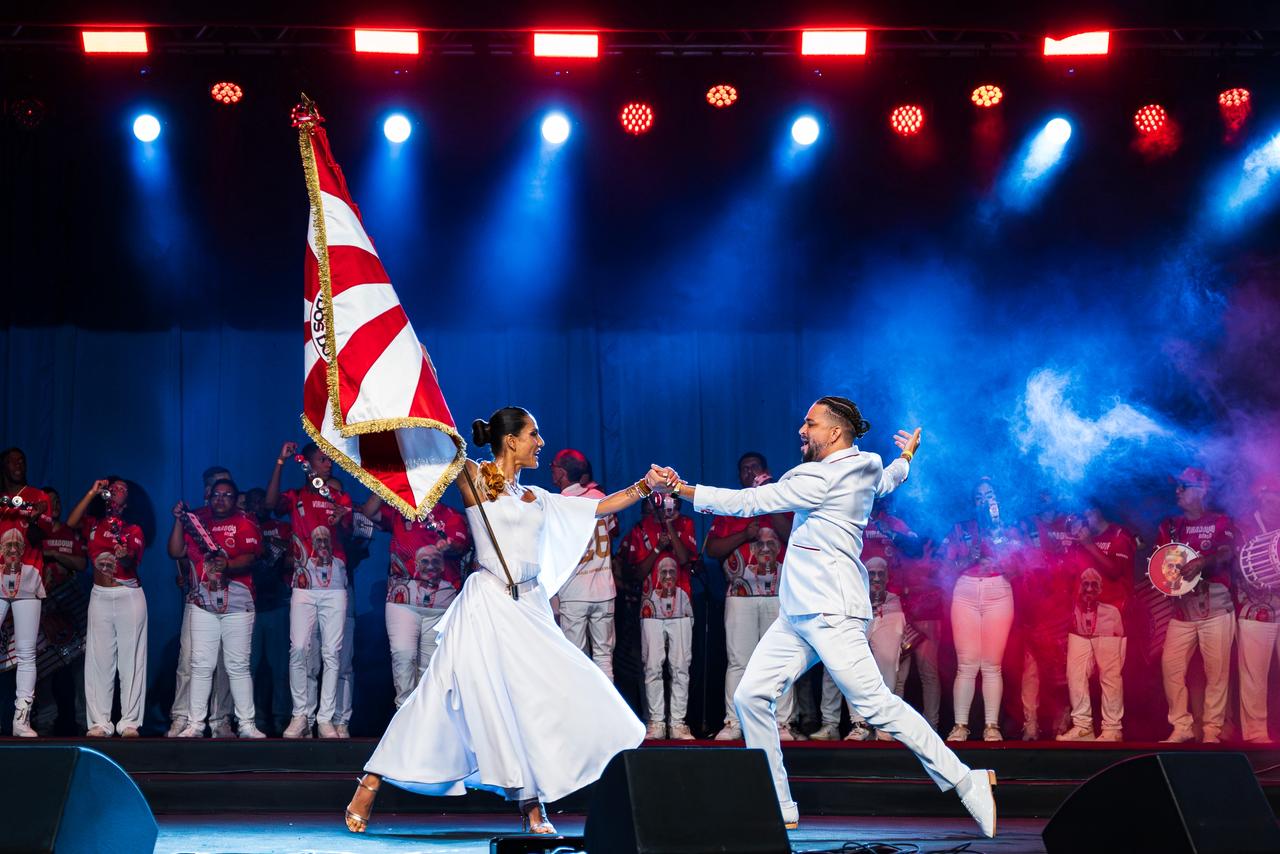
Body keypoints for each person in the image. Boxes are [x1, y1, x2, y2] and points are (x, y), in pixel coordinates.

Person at [655, 396, 996, 838]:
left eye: (810, 423)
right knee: (751, 696)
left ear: (835, 433)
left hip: (830, 610)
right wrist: (908, 456)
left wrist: (679, 488)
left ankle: (967, 779)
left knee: (875, 705)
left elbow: (749, 502)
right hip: (799, 613)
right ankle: (777, 804)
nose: (802, 429)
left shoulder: (816, 478)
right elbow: (891, 479)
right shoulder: (870, 464)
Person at [345, 406, 655, 835]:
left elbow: (600, 507)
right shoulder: (474, 477)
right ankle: (375, 780)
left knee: (548, 696)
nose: (540, 442)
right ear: (511, 440)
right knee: (439, 696)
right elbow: (430, 446)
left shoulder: (539, 497)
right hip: (486, 605)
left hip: (530, 609)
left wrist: (644, 485)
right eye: (534, 434)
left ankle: (533, 802)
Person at [705, 452, 800, 742]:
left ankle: (781, 723)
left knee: (780, 661)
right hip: (740, 594)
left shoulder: (783, 502)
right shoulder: (731, 509)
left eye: (754, 468)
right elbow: (712, 550)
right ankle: (734, 721)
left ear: (765, 471)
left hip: (778, 594)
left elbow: (793, 536)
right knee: (739, 661)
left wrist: (769, 503)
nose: (749, 474)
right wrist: (744, 535)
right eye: (744, 470)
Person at [266, 442, 354, 739]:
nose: (329, 464)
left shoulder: (340, 498)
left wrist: (343, 519)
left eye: (330, 460)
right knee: (299, 648)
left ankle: (325, 719)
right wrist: (280, 461)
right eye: (323, 460)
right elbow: (269, 503)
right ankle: (300, 715)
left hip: (334, 587)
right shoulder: (296, 497)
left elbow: (351, 532)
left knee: (332, 653)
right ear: (309, 465)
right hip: (303, 586)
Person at [166, 477, 265, 738]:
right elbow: (176, 551)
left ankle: (246, 725)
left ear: (235, 498)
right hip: (203, 603)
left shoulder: (245, 523)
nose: (221, 500)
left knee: (238, 665)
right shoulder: (198, 521)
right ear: (209, 497)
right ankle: (195, 724)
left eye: (227, 495)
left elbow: (251, 557)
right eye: (217, 495)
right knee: (200, 665)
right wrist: (178, 519)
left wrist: (228, 566)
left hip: (238, 603)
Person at [1157, 467, 1236, 743]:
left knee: (1216, 671)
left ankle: (1212, 730)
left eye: (1183, 486)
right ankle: (1181, 726)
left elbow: (1227, 552)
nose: (1177, 491)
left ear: (1202, 490)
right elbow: (1161, 563)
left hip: (1216, 605)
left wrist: (1203, 561)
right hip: (1182, 609)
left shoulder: (1221, 521)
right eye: (1177, 487)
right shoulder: (1169, 525)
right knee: (1171, 666)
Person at [370, 494, 471, 707]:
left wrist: (448, 546)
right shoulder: (401, 510)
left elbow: (461, 546)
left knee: (430, 667)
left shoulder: (451, 516)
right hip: (402, 601)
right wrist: (383, 486)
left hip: (440, 605)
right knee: (403, 657)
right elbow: (369, 513)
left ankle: (427, 721)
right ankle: (403, 715)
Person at [944, 477, 1024, 742]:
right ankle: (960, 726)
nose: (984, 500)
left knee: (991, 665)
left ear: (997, 499)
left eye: (989, 495)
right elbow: (949, 567)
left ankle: (992, 726)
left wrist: (999, 540)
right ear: (973, 503)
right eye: (979, 497)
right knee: (967, 663)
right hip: (966, 590)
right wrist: (974, 554)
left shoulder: (1009, 528)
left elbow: (1017, 571)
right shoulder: (960, 528)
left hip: (998, 591)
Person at [68, 477, 147, 737]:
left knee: (130, 661)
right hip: (100, 595)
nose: (115, 491)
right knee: (98, 660)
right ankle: (100, 722)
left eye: (122, 489)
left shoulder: (133, 529)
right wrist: (91, 492)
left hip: (128, 595)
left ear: (127, 500)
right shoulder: (93, 524)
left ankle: (129, 722)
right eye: (112, 487)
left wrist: (126, 556)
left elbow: (134, 558)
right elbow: (70, 524)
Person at [623, 492, 698, 739]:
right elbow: (637, 571)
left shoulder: (685, 524)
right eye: (659, 501)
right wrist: (657, 546)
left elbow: (686, 559)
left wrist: (669, 528)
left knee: (680, 666)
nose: (664, 506)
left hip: (681, 606)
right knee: (652, 666)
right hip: (650, 607)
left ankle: (677, 722)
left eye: (669, 501)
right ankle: (656, 722)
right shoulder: (641, 528)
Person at [1057, 505, 1135, 742]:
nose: (1083, 520)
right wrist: (1068, 550)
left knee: (1109, 675)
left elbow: (1114, 571)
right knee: (1075, 674)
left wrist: (1089, 543)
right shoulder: (1078, 539)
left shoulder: (1120, 536)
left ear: (1099, 512)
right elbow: (1067, 575)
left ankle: (1112, 728)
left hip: (1111, 614)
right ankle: (1083, 726)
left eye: (1087, 514)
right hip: (1080, 614)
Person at [169, 465, 236, 738]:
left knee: (224, 663)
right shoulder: (194, 519)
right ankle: (181, 718)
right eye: (218, 487)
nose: (223, 493)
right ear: (208, 490)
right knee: (188, 662)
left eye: (228, 488)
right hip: (197, 602)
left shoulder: (239, 520)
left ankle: (220, 720)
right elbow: (177, 553)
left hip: (229, 604)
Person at [550, 449, 618, 681]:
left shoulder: (560, 504)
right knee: (604, 656)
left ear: (561, 472)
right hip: (604, 588)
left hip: (575, 590)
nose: (551, 469)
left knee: (575, 657)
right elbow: (613, 530)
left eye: (553, 466)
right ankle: (608, 715)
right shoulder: (600, 496)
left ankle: (581, 715)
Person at [0, 447, 51, 737]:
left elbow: (38, 536)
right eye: (12, 460)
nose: (18, 464)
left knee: (27, 652)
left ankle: (21, 718)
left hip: (28, 575)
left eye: (22, 460)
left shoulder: (37, 496)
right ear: (3, 466)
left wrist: (34, 517)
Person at [33, 486, 89, 734]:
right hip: (43, 606)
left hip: (70, 605)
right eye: (48, 501)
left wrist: (54, 554)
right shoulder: (33, 533)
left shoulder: (70, 533)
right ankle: (45, 720)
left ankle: (83, 720)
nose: (54, 505)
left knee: (80, 667)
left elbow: (81, 563)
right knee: (43, 666)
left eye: (57, 501)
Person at [244, 487, 294, 735]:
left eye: (260, 500)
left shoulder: (282, 528)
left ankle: (281, 718)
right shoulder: (243, 526)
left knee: (279, 667)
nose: (257, 505)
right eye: (251, 502)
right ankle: (252, 719)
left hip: (276, 603)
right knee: (250, 667)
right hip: (249, 606)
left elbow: (293, 561)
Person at [1237, 475, 1280, 742]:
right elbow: (1233, 565)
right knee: (1254, 676)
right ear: (1260, 497)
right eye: (1270, 496)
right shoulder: (1245, 526)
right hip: (1256, 609)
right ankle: (1256, 736)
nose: (1274, 502)